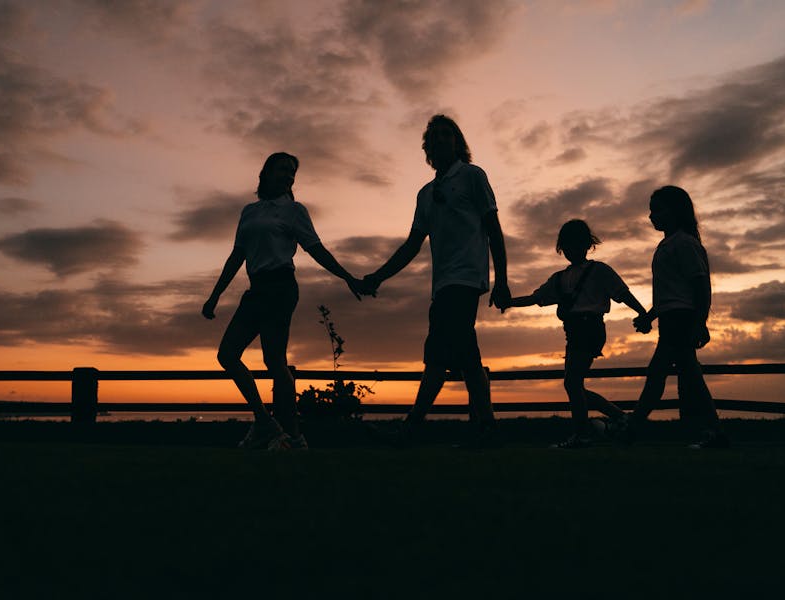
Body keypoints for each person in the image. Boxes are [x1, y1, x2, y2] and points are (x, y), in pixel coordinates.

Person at [362, 114, 511, 447]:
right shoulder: (426, 194)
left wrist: (501, 279)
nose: (442, 139)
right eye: (436, 136)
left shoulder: (473, 176)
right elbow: (412, 245)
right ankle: (480, 428)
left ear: (458, 143)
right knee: (450, 355)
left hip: (466, 278)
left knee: (448, 352)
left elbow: (493, 229)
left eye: (449, 134)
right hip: (442, 285)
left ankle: (417, 428)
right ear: (427, 148)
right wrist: (378, 277)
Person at [202, 152, 363, 451]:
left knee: (274, 362)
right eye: (282, 169)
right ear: (265, 173)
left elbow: (316, 249)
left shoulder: (294, 211)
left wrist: (347, 276)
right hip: (255, 290)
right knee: (227, 354)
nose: (288, 176)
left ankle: (293, 436)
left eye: (292, 173)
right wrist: (215, 295)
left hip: (281, 288)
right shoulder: (249, 212)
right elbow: (237, 256)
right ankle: (264, 422)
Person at [508, 219, 648, 448]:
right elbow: (535, 298)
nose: (571, 249)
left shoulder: (599, 270)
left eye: (575, 244)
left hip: (589, 327)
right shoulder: (559, 279)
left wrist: (643, 313)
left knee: (572, 383)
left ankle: (585, 433)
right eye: (567, 245)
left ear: (587, 245)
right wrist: (510, 302)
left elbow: (622, 294)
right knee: (574, 385)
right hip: (574, 331)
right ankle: (618, 418)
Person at [623, 185, 729, 449]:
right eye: (651, 211)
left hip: (681, 320)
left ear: (676, 211)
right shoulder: (668, 245)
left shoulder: (683, 244)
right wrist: (650, 316)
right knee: (682, 376)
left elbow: (700, 286)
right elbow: (670, 293)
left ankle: (631, 428)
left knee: (664, 374)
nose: (651, 216)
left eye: (657, 210)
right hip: (672, 319)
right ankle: (713, 431)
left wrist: (699, 323)